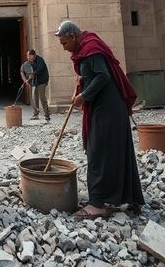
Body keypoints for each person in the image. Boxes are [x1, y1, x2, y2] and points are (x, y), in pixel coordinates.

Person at [54, 19, 143, 219]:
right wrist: (80, 85)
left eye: (65, 43)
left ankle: (97, 204)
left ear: (73, 37)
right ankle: (127, 197)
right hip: (106, 107)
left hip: (108, 108)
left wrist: (84, 96)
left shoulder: (91, 48)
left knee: (98, 152)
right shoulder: (84, 48)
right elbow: (91, 75)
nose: (64, 48)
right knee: (112, 151)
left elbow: (103, 76)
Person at [22, 49, 50, 121]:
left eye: (30, 56)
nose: (28, 58)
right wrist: (25, 80)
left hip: (42, 81)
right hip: (34, 82)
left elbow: (40, 69)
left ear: (34, 56)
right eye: (28, 56)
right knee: (34, 97)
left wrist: (33, 74)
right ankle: (36, 114)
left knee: (42, 97)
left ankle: (47, 115)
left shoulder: (40, 60)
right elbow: (22, 70)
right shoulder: (28, 62)